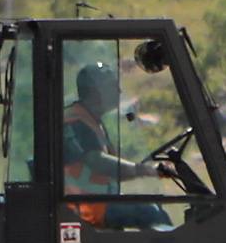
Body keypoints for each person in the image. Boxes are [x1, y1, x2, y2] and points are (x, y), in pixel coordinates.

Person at [63, 63, 170, 230]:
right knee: (149, 213)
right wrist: (143, 170)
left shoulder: (90, 119)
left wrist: (144, 171)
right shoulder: (74, 120)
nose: (119, 91)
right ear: (95, 91)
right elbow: (97, 161)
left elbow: (111, 171)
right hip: (83, 207)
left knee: (152, 207)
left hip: (96, 203)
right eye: (112, 86)